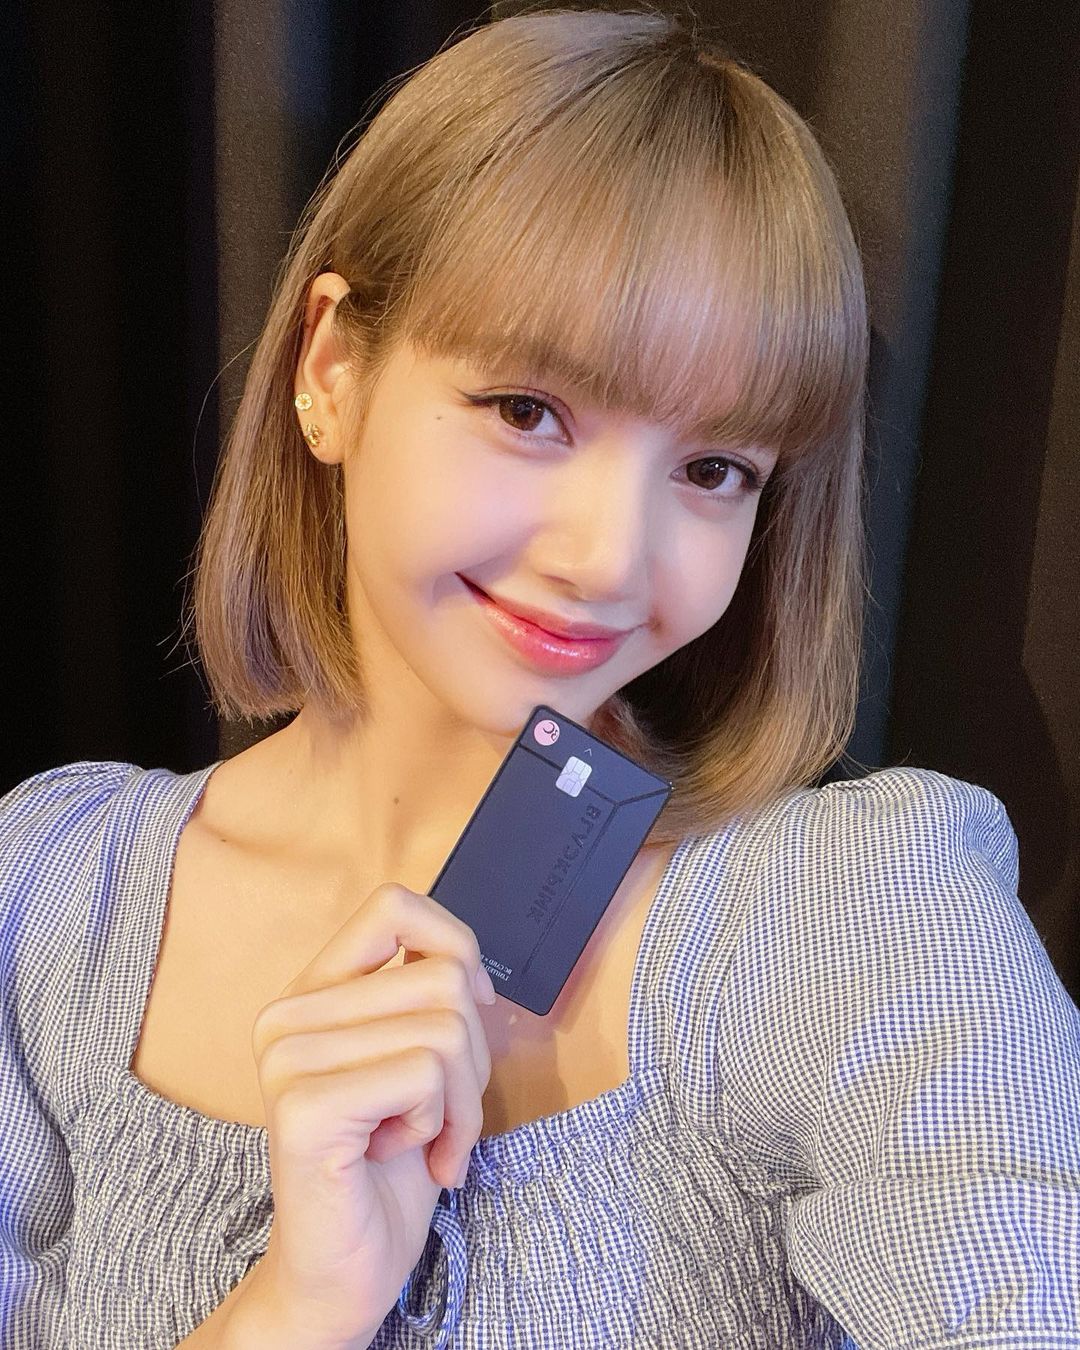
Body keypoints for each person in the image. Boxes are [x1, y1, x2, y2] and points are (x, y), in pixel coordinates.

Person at [1, 5, 1077, 1348]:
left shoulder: (851, 918)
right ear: (332, 369)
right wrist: (299, 1303)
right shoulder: (49, 902)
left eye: (714, 469)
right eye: (529, 411)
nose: (608, 559)